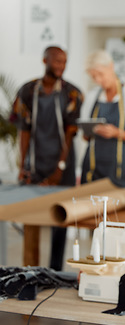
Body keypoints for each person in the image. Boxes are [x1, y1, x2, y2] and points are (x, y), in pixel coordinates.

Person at [10, 46, 83, 271]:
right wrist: (23, 166)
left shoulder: (73, 93)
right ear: (45, 60)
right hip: (36, 162)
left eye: (64, 62)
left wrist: (60, 167)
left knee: (59, 221)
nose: (61, 66)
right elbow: (23, 131)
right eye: (57, 61)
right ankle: (29, 272)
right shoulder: (28, 90)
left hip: (63, 165)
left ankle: (55, 272)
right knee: (31, 218)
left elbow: (70, 134)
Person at [80, 50, 125, 188]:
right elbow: (85, 136)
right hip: (91, 170)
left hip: (119, 172)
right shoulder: (92, 96)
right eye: (94, 77)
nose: (98, 80)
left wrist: (116, 133)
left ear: (111, 66)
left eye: (100, 74)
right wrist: (89, 131)